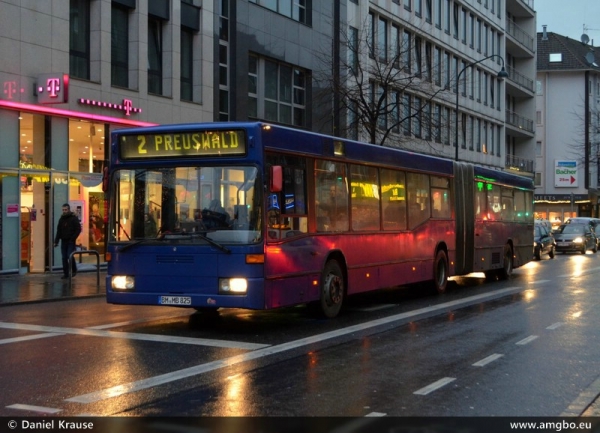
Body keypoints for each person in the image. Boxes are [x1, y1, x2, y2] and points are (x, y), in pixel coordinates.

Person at [54, 203, 82, 279]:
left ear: (69, 209)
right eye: (63, 210)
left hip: (70, 241)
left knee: (69, 255)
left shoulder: (73, 218)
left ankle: (74, 269)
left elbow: (78, 229)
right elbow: (59, 231)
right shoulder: (61, 219)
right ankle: (66, 273)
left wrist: (73, 238)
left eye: (65, 210)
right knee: (64, 257)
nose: (64, 211)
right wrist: (56, 241)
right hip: (64, 240)